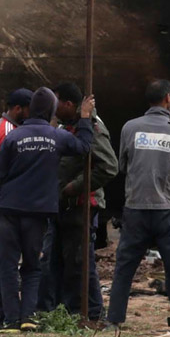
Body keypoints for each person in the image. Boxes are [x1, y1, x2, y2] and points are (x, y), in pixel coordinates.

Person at [0, 87, 94, 332]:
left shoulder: (13, 138)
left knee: (6, 266)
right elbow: (84, 147)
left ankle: (10, 320)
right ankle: (28, 317)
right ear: (50, 111)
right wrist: (86, 118)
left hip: (8, 208)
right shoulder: (56, 137)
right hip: (37, 212)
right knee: (32, 266)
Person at [106, 80, 170, 331]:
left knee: (125, 267)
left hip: (135, 207)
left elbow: (122, 165)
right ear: (169, 98)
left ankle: (113, 320)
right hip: (168, 209)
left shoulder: (130, 128)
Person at [50, 81, 119, 320]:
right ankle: (68, 308)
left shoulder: (91, 128)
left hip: (81, 205)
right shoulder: (66, 126)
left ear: (69, 104)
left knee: (81, 261)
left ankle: (91, 311)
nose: (53, 107)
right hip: (64, 206)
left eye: (56, 102)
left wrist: (74, 187)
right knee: (63, 260)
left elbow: (109, 166)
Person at [0, 88, 33, 330]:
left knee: (2, 264)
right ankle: (6, 317)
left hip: (6, 203)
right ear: (17, 109)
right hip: (9, 205)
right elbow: (11, 170)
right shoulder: (8, 132)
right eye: (28, 109)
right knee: (6, 265)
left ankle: (2, 316)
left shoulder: (6, 128)